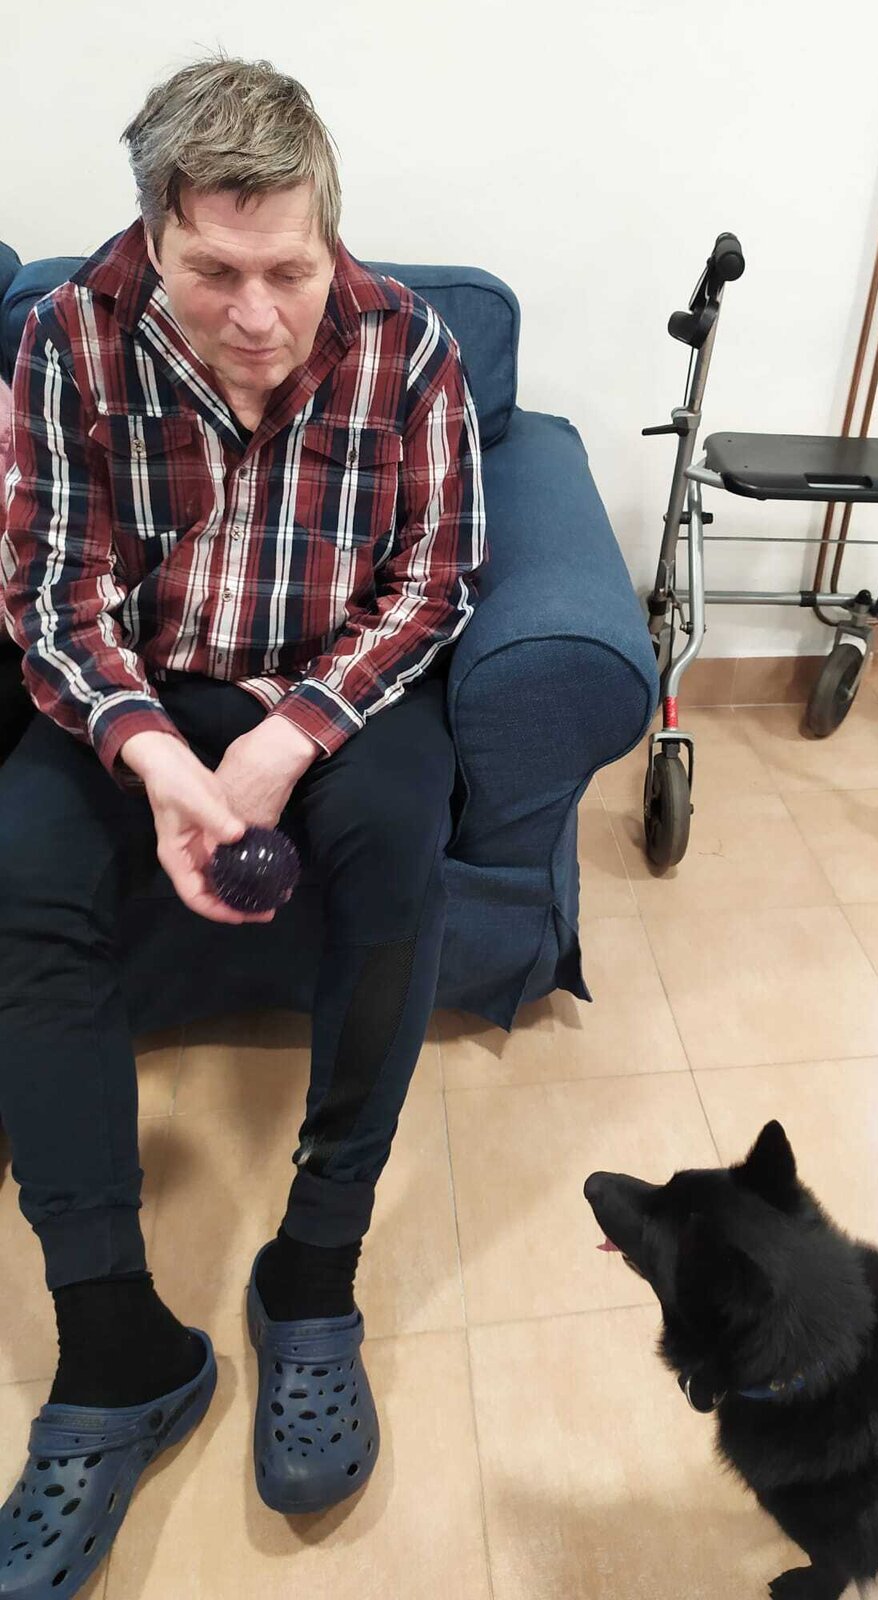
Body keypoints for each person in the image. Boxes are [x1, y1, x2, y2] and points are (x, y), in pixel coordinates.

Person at [0, 53, 485, 1590]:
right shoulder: (68, 336)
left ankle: (312, 1270)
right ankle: (115, 1348)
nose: (260, 316)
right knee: (21, 877)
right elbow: (49, 594)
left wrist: (287, 740)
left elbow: (436, 581)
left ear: (329, 230)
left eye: (291, 269)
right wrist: (153, 755)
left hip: (328, 698)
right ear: (155, 236)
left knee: (401, 853)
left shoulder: (408, 344)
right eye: (216, 273)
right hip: (140, 695)